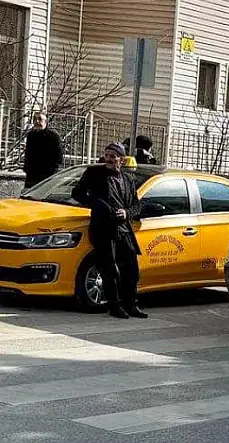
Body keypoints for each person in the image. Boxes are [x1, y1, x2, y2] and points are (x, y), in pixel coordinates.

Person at [71, 142, 145, 320]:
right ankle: (114, 305)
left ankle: (131, 304)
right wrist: (98, 206)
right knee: (110, 270)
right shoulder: (94, 174)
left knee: (132, 269)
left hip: (124, 228)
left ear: (122, 159)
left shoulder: (128, 180)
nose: (110, 159)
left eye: (114, 156)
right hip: (103, 229)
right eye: (107, 155)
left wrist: (127, 213)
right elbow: (77, 194)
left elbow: (136, 204)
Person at [24, 112, 63, 188]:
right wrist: (26, 168)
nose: (37, 122)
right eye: (35, 119)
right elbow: (28, 154)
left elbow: (58, 157)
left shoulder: (53, 136)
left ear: (46, 122)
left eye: (40, 119)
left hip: (47, 176)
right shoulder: (31, 136)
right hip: (32, 175)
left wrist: (52, 172)